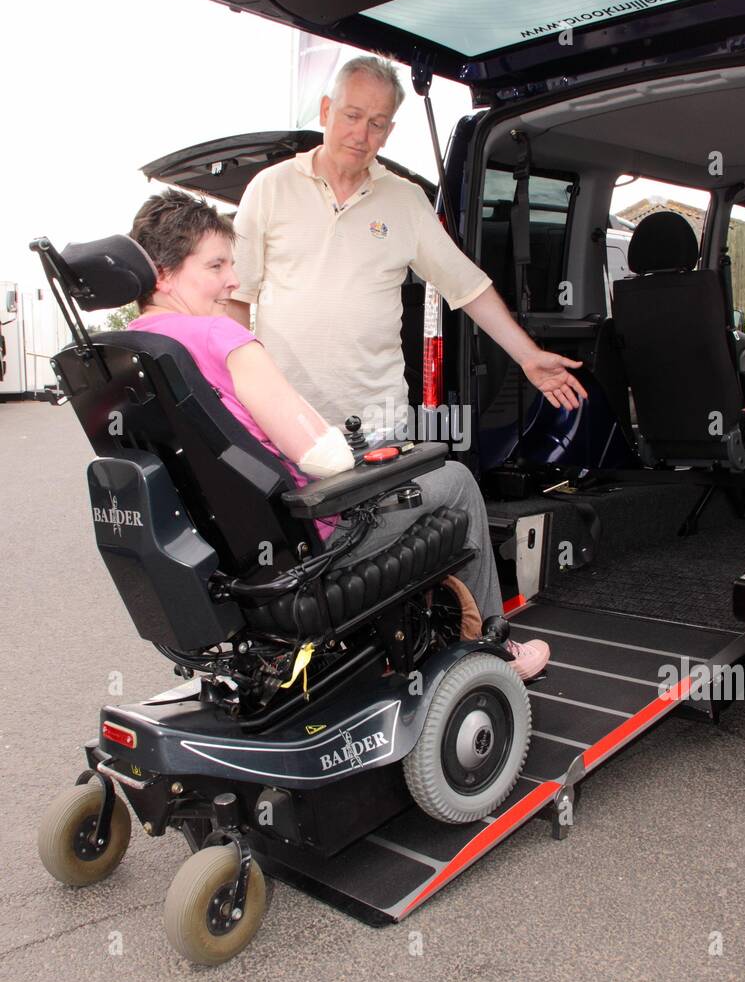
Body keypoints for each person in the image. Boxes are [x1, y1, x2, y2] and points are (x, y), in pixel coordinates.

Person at [127, 189, 550, 679]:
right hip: (309, 539)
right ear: (162, 273)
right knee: (452, 479)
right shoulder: (218, 336)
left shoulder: (131, 348)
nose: (234, 281)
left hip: (224, 553)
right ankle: (493, 650)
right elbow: (322, 457)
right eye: (217, 266)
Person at [228, 54, 587, 436]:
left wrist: (527, 355)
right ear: (326, 110)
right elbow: (235, 296)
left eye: (376, 124)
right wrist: (236, 388)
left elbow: (467, 285)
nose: (361, 134)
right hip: (282, 417)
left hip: (376, 423)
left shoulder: (405, 200)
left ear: (388, 131)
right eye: (351, 116)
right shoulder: (270, 187)